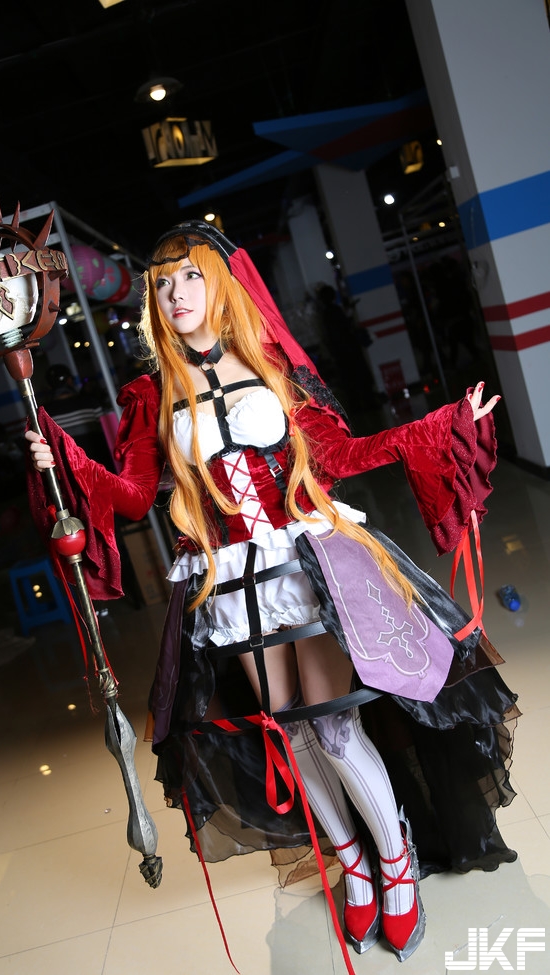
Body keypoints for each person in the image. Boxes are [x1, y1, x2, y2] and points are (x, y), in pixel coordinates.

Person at [25, 222, 518, 965]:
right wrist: (63, 460)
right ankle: (351, 861)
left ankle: (394, 858)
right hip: (229, 577)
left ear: (221, 285)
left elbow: (342, 452)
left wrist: (437, 428)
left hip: (306, 562)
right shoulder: (150, 395)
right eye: (163, 283)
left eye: (190, 276)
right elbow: (130, 496)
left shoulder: (273, 366)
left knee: (337, 726)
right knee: (290, 729)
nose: (176, 292)